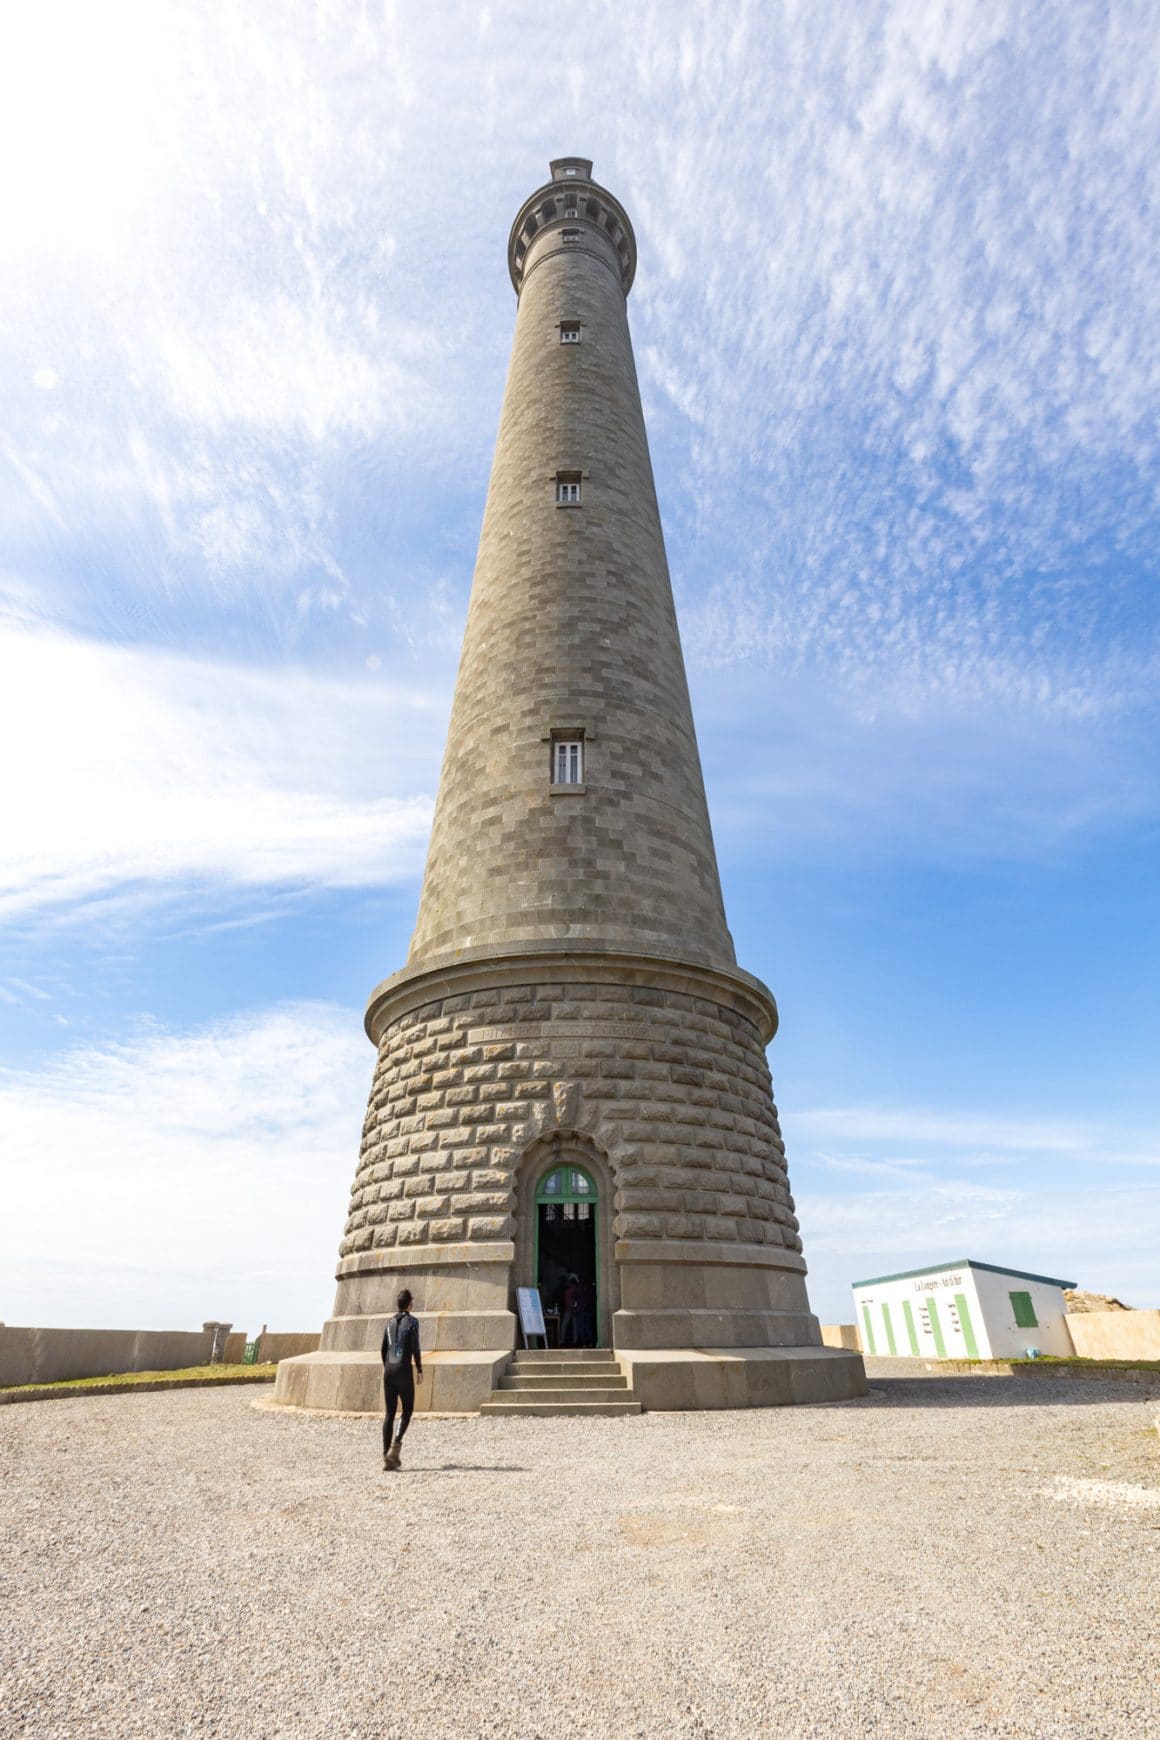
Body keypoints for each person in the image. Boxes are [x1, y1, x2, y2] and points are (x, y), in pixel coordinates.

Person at [381, 1288, 423, 1471]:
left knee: (389, 1414)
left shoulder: (389, 1322)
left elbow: (383, 1349)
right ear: (410, 1304)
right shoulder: (412, 1322)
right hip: (404, 1370)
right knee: (407, 1409)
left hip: (388, 1370)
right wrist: (419, 1369)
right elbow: (415, 1347)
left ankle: (386, 1456)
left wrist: (388, 1367)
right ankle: (395, 1447)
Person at [574, 1277, 595, 1348]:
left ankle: (584, 1343)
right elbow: (593, 1299)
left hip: (581, 1310)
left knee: (582, 1327)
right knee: (588, 1327)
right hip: (588, 1310)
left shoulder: (578, 1290)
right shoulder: (590, 1290)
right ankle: (590, 1343)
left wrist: (576, 1309)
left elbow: (575, 1299)